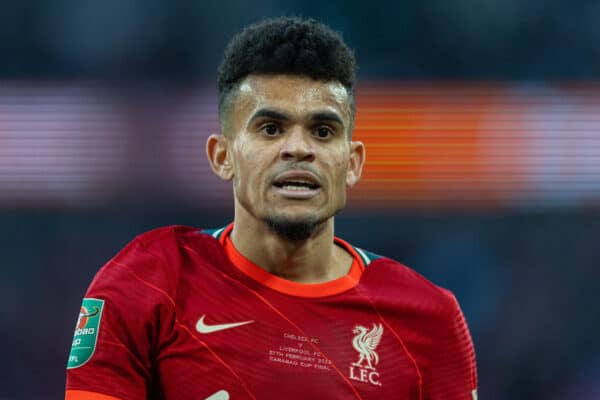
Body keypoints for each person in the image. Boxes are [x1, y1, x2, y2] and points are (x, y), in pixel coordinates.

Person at [65, 17, 478, 400]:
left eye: (322, 131)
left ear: (352, 164)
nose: (298, 148)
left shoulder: (430, 320)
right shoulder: (147, 283)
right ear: (222, 155)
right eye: (271, 128)